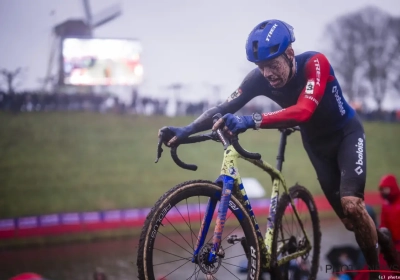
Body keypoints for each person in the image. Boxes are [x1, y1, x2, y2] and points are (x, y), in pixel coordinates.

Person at [158, 19, 398, 279]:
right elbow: (221, 108)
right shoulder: (259, 79)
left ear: (290, 54)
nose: (268, 73)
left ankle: (379, 273)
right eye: (261, 67)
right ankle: (381, 236)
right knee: (352, 223)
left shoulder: (315, 63)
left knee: (352, 205)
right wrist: (185, 130)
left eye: (273, 65)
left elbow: (305, 111)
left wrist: (251, 120)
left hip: (346, 135)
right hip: (316, 146)